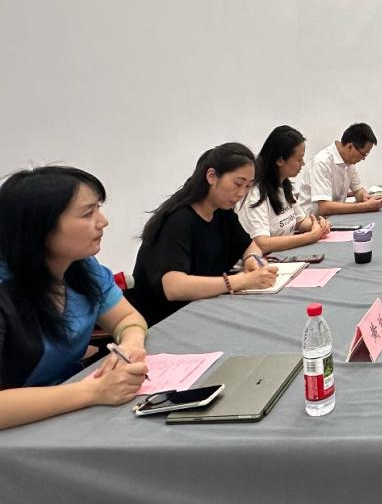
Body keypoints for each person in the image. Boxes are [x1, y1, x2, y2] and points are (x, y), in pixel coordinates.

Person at [0, 166, 149, 429]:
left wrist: (131, 344)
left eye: (98, 209)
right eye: (88, 213)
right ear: (41, 228)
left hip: (67, 411)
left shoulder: (83, 268)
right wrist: (94, 391)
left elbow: (126, 318)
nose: (103, 221)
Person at [128, 143, 278, 326]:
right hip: (165, 321)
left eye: (248, 186)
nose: (241, 193)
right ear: (211, 176)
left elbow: (250, 245)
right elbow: (174, 287)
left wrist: (251, 259)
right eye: (238, 184)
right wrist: (242, 280)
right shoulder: (177, 221)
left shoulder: (222, 212)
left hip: (204, 309)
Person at [237, 125, 331, 254]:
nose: (303, 163)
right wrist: (311, 236)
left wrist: (318, 224)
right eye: (299, 159)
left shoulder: (283, 184)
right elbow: (262, 244)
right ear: (280, 160)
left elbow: (301, 221)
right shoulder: (255, 194)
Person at [295, 123, 382, 216]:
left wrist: (366, 197)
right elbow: (325, 207)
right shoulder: (322, 162)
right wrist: (364, 206)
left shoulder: (349, 162)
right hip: (313, 220)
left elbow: (358, 190)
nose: (363, 158)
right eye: (363, 154)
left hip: (335, 217)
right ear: (350, 147)